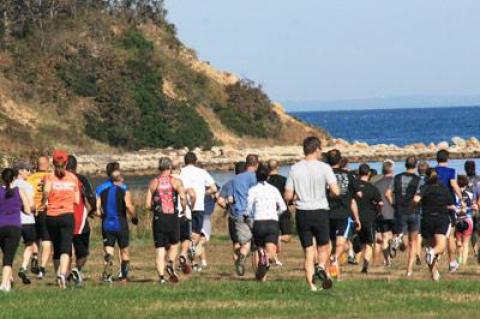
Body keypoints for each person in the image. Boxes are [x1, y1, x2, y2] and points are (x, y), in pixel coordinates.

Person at [284, 136, 340, 291]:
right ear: (316, 149)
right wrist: (331, 192)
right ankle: (322, 267)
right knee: (324, 246)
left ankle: (311, 285)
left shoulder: (295, 168)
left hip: (302, 212)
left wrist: (294, 198)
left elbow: (287, 195)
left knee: (308, 250)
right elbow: (336, 190)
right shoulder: (324, 168)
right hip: (320, 210)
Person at [41, 150, 79, 289]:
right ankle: (62, 274)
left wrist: (46, 200)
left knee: (56, 248)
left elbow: (45, 192)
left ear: (53, 162)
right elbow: (77, 200)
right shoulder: (73, 178)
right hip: (67, 215)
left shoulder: (49, 177)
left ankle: (58, 277)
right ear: (67, 162)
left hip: (51, 216)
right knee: (66, 247)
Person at [145, 157, 187, 284]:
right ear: (170, 168)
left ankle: (162, 278)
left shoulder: (153, 182)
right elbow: (183, 197)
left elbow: (147, 205)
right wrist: (183, 209)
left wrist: (156, 208)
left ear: (159, 168)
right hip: (172, 217)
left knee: (160, 248)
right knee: (175, 243)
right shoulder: (176, 181)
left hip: (159, 218)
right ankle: (170, 262)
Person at [97, 165, 137, 283]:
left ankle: (108, 274)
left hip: (107, 223)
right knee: (124, 250)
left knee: (108, 250)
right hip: (120, 223)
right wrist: (134, 217)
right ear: (119, 179)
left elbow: (97, 210)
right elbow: (129, 206)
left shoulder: (102, 190)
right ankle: (124, 277)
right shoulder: (124, 190)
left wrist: (103, 216)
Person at [413, 168, 455, 281]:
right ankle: (433, 261)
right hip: (441, 218)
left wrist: (413, 207)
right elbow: (451, 205)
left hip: (427, 219)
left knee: (429, 247)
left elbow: (416, 199)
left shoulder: (424, 188)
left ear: (426, 178)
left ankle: (434, 273)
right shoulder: (444, 188)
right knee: (440, 247)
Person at [246, 164, 287, 281]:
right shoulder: (274, 190)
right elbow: (283, 207)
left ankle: (261, 277)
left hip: (259, 222)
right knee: (271, 253)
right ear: (268, 177)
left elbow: (248, 208)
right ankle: (266, 262)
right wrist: (276, 214)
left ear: (256, 177)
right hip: (272, 222)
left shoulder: (253, 190)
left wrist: (249, 217)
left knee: (259, 248)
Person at [325, 149, 360, 279]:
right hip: (343, 214)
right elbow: (353, 199)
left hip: (327, 213)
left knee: (331, 245)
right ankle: (334, 260)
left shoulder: (324, 175)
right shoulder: (349, 176)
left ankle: (333, 273)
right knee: (341, 244)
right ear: (340, 161)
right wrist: (357, 218)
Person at [179, 152, 217, 267]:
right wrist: (204, 193)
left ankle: (184, 255)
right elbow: (214, 188)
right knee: (196, 233)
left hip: (184, 206)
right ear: (195, 161)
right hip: (198, 206)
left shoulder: (181, 172)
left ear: (185, 161)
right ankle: (191, 249)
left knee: (185, 234)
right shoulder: (202, 172)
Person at [386, 156, 421, 276]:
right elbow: (418, 197)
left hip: (400, 211)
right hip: (414, 212)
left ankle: (396, 241)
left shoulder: (396, 178)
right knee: (413, 242)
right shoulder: (419, 180)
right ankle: (409, 270)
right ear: (416, 165)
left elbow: (387, 193)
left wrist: (393, 205)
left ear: (405, 165)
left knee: (404, 243)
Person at [227, 154, 259, 277]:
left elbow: (230, 198)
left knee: (245, 242)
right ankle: (257, 272)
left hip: (238, 213)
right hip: (252, 213)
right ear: (256, 164)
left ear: (246, 164)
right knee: (256, 245)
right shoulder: (255, 178)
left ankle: (241, 258)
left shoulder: (234, 180)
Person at [66, 155, 96, 286]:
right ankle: (77, 270)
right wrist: (94, 209)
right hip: (79, 220)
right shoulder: (81, 179)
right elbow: (90, 195)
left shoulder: (57, 178)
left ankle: (65, 274)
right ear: (76, 166)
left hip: (62, 217)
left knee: (65, 250)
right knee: (82, 251)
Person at [0, 168, 31, 292]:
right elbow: (28, 210)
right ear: (14, 178)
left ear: (2, 178)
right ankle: (3, 285)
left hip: (0, 226)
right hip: (14, 227)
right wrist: (20, 208)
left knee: (5, 254)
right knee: (8, 257)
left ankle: (8, 282)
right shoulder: (19, 191)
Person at [435, 150, 462, 272]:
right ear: (447, 159)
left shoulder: (432, 171)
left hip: (434, 204)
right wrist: (461, 197)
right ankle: (451, 262)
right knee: (449, 236)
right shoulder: (451, 171)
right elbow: (453, 185)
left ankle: (435, 260)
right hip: (448, 204)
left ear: (437, 159)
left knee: (436, 234)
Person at [355, 164, 383, 274]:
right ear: (369, 174)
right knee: (369, 243)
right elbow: (380, 203)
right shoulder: (372, 188)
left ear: (359, 172)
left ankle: (356, 260)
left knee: (361, 242)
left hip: (355, 217)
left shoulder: (354, 185)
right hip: (369, 218)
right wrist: (377, 209)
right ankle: (365, 266)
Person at [217, 161, 246, 263]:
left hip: (233, 216)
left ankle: (237, 259)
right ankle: (242, 258)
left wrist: (228, 207)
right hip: (246, 216)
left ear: (235, 171)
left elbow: (220, 201)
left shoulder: (228, 184)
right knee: (248, 242)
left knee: (236, 242)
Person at [12, 162, 36, 285]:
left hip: (13, 221)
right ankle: (23, 267)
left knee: (12, 248)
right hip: (28, 220)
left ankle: (9, 272)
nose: (30, 172)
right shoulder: (27, 186)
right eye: (27, 170)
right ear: (20, 171)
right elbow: (31, 205)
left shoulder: (10, 185)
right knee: (29, 245)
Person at [27, 155, 51, 279]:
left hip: (32, 211)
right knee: (46, 240)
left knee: (34, 237)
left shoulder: (30, 178)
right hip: (46, 211)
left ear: (37, 165)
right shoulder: (51, 177)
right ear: (47, 164)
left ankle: (35, 255)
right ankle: (42, 268)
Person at [171, 159, 196, 274]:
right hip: (183, 213)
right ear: (180, 169)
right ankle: (183, 255)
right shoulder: (183, 179)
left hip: (168, 215)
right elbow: (192, 194)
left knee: (172, 243)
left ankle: (171, 263)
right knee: (185, 239)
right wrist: (192, 206)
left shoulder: (164, 179)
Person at [267, 159, 291, 266]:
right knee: (287, 236)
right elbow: (288, 195)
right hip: (282, 210)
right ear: (278, 167)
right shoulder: (284, 180)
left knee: (271, 237)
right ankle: (274, 257)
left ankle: (274, 256)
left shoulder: (265, 181)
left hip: (269, 211)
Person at [374, 160, 395, 267]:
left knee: (384, 237)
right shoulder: (396, 182)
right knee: (396, 235)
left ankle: (387, 261)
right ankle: (393, 243)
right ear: (392, 170)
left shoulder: (376, 184)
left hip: (381, 214)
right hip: (394, 212)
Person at [454, 175, 477, 265]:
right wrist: (470, 209)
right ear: (466, 183)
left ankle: (459, 260)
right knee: (466, 243)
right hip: (468, 220)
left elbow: (454, 207)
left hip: (458, 220)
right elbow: (475, 207)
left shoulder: (454, 194)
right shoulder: (470, 194)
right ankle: (463, 262)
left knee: (458, 241)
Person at [199, 184, 219, 268]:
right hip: (204, 217)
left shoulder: (201, 190)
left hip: (199, 216)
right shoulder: (208, 192)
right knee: (202, 241)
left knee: (199, 240)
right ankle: (191, 254)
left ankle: (203, 262)